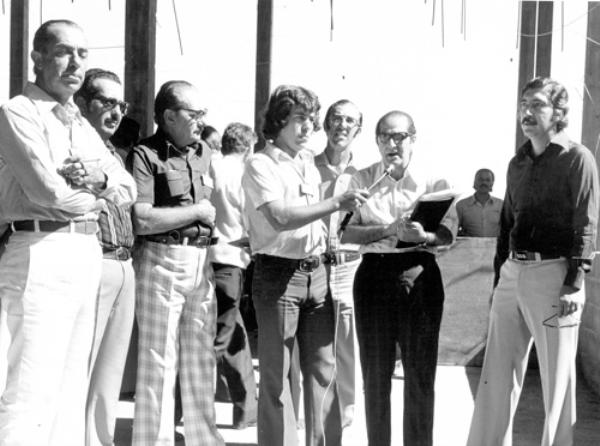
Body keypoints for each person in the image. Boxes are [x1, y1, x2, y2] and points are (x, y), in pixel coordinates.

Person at [0, 19, 136, 446]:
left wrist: (95, 180)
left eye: (82, 54)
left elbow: (127, 188)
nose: (74, 62)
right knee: (30, 386)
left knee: (70, 385)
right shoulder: (17, 111)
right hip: (39, 246)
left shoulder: (79, 122)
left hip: (84, 252)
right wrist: (98, 195)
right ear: (38, 58)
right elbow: (46, 192)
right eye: (63, 51)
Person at [466, 77, 599, 446]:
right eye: (524, 104)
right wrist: (498, 282)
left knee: (558, 382)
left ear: (558, 113)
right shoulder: (517, 162)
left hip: (555, 276)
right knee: (495, 374)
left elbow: (586, 223)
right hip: (513, 273)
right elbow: (508, 223)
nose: (526, 112)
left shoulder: (577, 157)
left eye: (537, 105)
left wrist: (574, 281)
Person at [242, 84, 369, 446]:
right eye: (300, 119)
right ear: (278, 120)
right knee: (278, 376)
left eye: (312, 120)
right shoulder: (260, 164)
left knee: (324, 371)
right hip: (278, 276)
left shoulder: (306, 163)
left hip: (318, 274)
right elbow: (281, 217)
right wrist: (336, 203)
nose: (308, 127)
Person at [341, 110, 456, 446]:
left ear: (413, 139)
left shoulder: (435, 181)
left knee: (420, 374)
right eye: (385, 137)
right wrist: (386, 230)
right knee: (375, 375)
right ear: (376, 141)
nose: (392, 144)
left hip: (420, 273)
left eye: (400, 136)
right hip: (374, 275)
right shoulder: (360, 179)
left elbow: (448, 233)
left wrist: (426, 236)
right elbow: (346, 233)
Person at [128, 80, 223, 446]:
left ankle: (205, 440)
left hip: (201, 261)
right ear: (168, 116)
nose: (200, 122)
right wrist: (196, 211)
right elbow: (143, 220)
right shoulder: (144, 155)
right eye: (194, 114)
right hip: (160, 259)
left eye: (203, 115)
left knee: (201, 362)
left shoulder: (203, 153)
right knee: (158, 363)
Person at [74, 68, 136, 446]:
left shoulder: (114, 154)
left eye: (121, 104)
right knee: (82, 363)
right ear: (82, 104)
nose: (116, 112)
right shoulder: (73, 148)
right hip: (92, 260)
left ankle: (99, 440)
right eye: (106, 102)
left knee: (110, 369)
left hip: (124, 263)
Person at [314, 99, 363, 428]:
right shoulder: (306, 166)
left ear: (358, 129)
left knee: (347, 343)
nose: (341, 125)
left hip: (348, 266)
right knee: (315, 344)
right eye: (335, 119)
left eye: (349, 121)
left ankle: (346, 411)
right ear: (324, 124)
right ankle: (315, 410)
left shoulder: (363, 176)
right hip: (314, 266)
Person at [208, 122, 258, 429]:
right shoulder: (244, 175)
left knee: (233, 333)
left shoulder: (211, 167)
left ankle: (246, 409)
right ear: (248, 147)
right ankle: (182, 407)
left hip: (207, 259)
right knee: (219, 339)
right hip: (232, 261)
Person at [456, 168, 503, 237]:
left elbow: (509, 229)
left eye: (488, 180)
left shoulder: (501, 205)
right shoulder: (461, 205)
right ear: (474, 182)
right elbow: (453, 230)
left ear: (492, 183)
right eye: (480, 179)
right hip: (468, 247)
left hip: (495, 247)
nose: (484, 183)